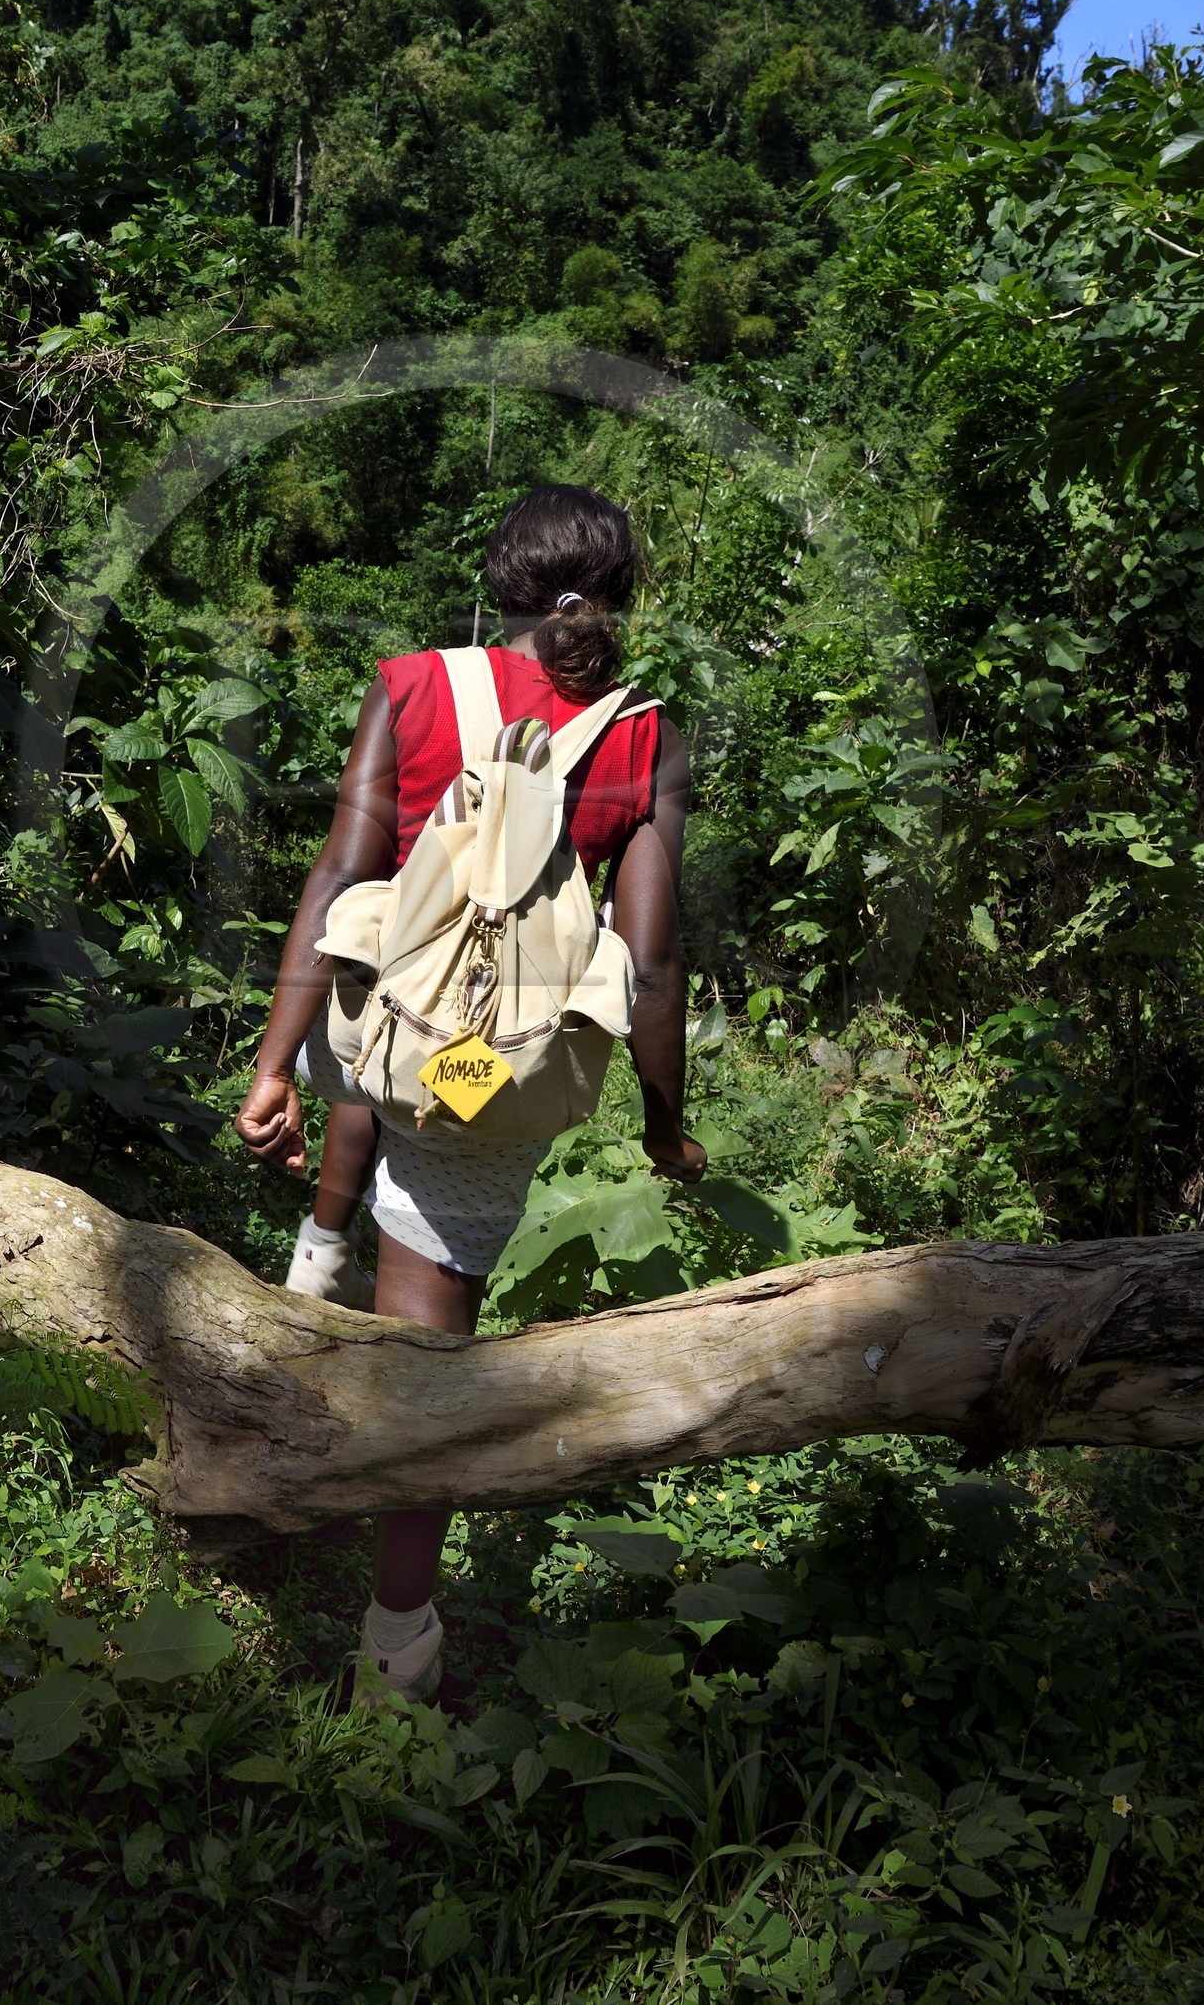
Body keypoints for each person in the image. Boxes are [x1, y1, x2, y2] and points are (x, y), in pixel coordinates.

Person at [234, 483, 705, 1701]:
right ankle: (398, 1639)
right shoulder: (641, 732)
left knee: (393, 1023)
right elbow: (649, 965)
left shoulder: (412, 686)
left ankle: (314, 1258)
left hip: (373, 1030)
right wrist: (663, 1118)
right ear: (621, 593)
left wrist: (276, 1058)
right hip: (490, 1075)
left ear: (499, 585)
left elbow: (345, 872)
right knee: (430, 1349)